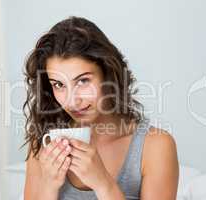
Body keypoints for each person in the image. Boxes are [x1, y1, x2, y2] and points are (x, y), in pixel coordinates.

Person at [22, 16, 179, 200]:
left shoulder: (155, 146)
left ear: (108, 76)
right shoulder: (43, 143)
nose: (72, 101)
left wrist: (103, 183)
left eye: (83, 81)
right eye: (58, 84)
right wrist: (48, 187)